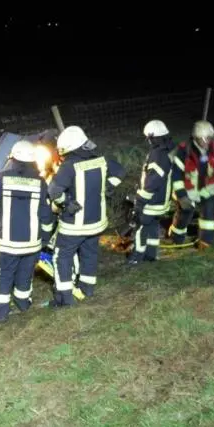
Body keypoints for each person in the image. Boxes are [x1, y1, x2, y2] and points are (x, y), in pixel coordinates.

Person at [0, 140, 54, 324]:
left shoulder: (2, 179)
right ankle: (23, 302)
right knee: (26, 273)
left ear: (12, 158)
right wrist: (45, 239)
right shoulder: (40, 182)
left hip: (9, 243)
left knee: (5, 275)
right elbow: (46, 215)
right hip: (32, 243)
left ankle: (1, 312)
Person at [47, 125, 125, 307]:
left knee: (62, 257)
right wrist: (110, 185)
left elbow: (53, 191)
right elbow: (120, 171)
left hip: (74, 226)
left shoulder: (69, 166)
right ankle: (87, 289)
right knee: (89, 254)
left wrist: (65, 203)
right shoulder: (101, 160)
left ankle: (65, 299)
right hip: (97, 223)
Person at [168, 120, 214, 249]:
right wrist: (181, 196)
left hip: (209, 189)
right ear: (195, 138)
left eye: (209, 138)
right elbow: (176, 176)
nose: (206, 142)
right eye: (202, 139)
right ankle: (176, 238)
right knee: (185, 215)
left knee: (209, 217)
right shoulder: (184, 151)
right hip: (189, 191)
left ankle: (205, 242)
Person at [126, 119, 173, 265]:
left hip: (152, 202)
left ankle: (136, 257)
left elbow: (152, 182)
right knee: (152, 227)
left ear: (152, 137)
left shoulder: (157, 155)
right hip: (162, 201)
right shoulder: (169, 149)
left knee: (141, 228)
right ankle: (151, 255)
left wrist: (139, 199)